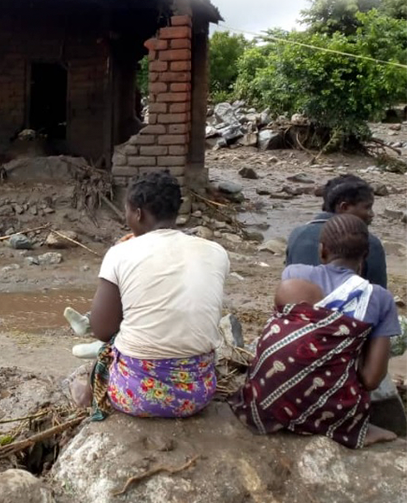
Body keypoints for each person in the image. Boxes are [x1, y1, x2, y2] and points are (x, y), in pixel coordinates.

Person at [67, 171, 230, 420]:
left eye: (128, 211)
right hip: (197, 394)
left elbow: (102, 330)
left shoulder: (121, 252)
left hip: (136, 397)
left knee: (108, 345)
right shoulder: (216, 252)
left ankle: (86, 394)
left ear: (138, 213)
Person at [230, 214, 401, 448]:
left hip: (265, 401)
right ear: (366, 256)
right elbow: (372, 379)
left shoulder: (294, 274)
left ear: (322, 251)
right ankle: (352, 427)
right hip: (332, 411)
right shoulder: (379, 298)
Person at [286, 175, 387, 288]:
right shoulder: (367, 241)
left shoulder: (298, 234)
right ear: (344, 207)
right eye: (367, 207)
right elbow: (376, 292)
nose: (371, 214)